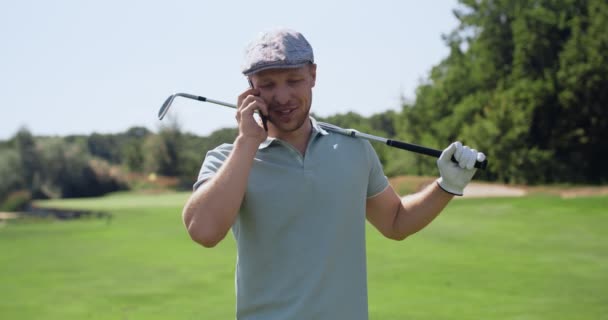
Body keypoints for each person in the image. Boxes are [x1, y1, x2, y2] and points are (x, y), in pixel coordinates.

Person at [182, 28, 485, 320]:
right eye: (268, 84)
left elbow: (395, 222)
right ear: (250, 86)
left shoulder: (353, 148)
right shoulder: (229, 158)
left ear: (313, 75)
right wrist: (248, 141)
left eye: (293, 80)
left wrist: (447, 185)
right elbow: (203, 231)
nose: (283, 96)